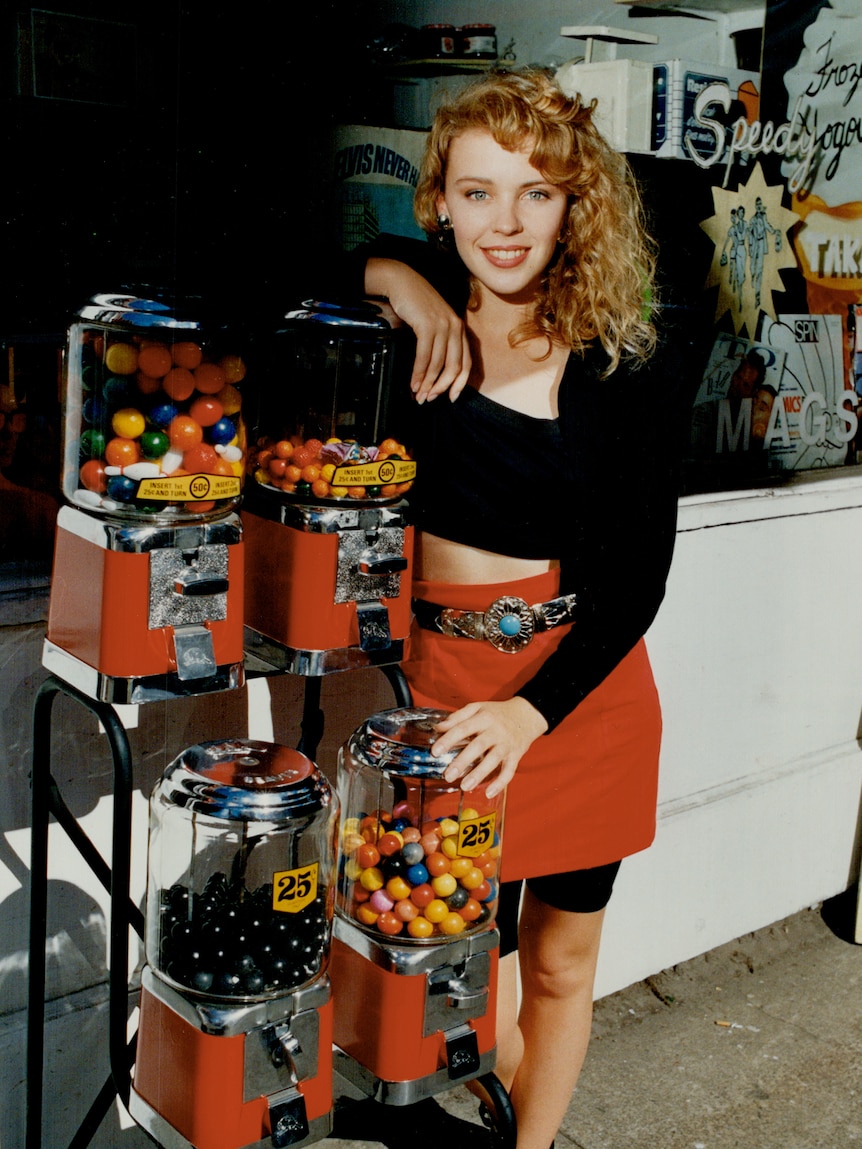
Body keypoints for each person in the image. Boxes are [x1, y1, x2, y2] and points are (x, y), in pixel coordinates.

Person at [343, 68, 683, 1149]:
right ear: (435, 197)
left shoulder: (619, 360)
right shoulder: (394, 330)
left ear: (575, 203)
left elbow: (638, 578)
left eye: (536, 193)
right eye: (478, 191)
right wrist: (391, 272)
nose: (506, 221)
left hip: (576, 697)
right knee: (453, 964)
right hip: (441, 700)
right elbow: (229, 267)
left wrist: (532, 714)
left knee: (561, 963)